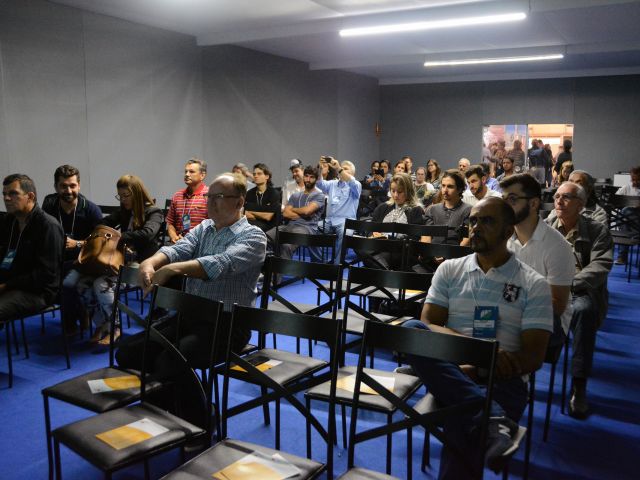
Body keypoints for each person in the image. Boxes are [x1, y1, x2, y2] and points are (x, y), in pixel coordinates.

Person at [403, 197, 553, 478]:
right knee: (411, 329)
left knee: (463, 422)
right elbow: (427, 324)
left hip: (503, 382)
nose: (475, 227)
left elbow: (534, 356)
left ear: (509, 231)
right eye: (472, 221)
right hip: (454, 371)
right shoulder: (450, 269)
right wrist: (481, 352)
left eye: (487, 221)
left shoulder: (533, 283)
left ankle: (490, 417)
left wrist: (480, 366)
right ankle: (494, 419)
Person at [116, 172, 266, 426]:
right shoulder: (206, 227)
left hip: (228, 325)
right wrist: (151, 262)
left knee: (170, 359)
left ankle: (202, 421)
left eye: (219, 197)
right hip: (191, 317)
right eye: (210, 197)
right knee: (130, 351)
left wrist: (175, 269)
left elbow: (223, 263)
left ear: (239, 202)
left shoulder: (253, 237)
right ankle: (168, 411)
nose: (210, 203)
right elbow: (178, 248)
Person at [546, 182, 613, 418]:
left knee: (584, 311)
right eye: (556, 197)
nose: (559, 201)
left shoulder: (596, 230)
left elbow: (601, 264)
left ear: (581, 204)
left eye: (566, 197)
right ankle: (513, 375)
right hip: (548, 289)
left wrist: (571, 283)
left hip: (579, 289)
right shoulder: (545, 227)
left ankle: (579, 385)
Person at [76, 175, 163, 344]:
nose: (122, 200)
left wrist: (119, 236)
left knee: (100, 284)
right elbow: (102, 223)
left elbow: (147, 234)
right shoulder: (124, 211)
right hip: (122, 261)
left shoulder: (154, 212)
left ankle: (115, 328)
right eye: (120, 196)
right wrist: (103, 231)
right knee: (82, 284)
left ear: (136, 194)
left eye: (126, 195)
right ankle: (102, 324)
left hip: (143, 264)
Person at [501, 174, 575, 347]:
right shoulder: (503, 238)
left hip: (549, 320)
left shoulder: (557, 246)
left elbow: (556, 307)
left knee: (497, 341)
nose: (504, 206)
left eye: (512, 199)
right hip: (508, 309)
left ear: (533, 204)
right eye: (503, 200)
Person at [42, 165, 103, 334]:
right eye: (63, 186)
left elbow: (102, 243)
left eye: (72, 185)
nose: (68, 190)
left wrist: (77, 243)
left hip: (84, 261)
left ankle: (71, 324)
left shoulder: (91, 209)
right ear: (56, 187)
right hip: (56, 260)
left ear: (79, 185)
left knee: (66, 280)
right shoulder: (49, 206)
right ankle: (79, 313)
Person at [1, 174, 64, 326]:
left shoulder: (48, 226)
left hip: (38, 292)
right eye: (4, 194)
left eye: (13, 193)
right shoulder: (9, 221)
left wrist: (6, 285)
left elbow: (45, 275)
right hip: (11, 284)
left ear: (30, 196)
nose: (7, 198)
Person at [266, 165, 325, 261]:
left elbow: (307, 211)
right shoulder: (295, 195)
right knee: (264, 239)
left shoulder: (319, 195)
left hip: (306, 228)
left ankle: (278, 275)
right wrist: (303, 213)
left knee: (286, 246)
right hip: (289, 226)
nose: (308, 179)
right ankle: (267, 271)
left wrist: (294, 209)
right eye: (306, 176)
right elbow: (285, 213)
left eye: (312, 177)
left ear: (316, 179)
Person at [367, 173, 424, 269]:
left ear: (408, 191)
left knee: (372, 254)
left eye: (400, 192)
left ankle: (381, 268)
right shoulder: (383, 207)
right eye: (393, 191)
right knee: (358, 245)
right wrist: (373, 234)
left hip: (400, 251)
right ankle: (383, 268)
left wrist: (389, 238)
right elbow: (370, 230)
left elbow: (414, 238)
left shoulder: (416, 210)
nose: (395, 195)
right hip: (379, 247)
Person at [315, 157, 362, 263]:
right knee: (310, 228)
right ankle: (320, 262)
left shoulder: (356, 185)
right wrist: (319, 168)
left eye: (345, 169)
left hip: (346, 222)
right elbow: (319, 183)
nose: (341, 170)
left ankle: (336, 268)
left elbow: (352, 182)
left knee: (344, 233)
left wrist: (339, 168)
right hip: (328, 221)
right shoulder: (332, 183)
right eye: (341, 168)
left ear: (352, 174)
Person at [166, 157, 209, 244]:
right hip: (178, 243)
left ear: (202, 175)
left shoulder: (210, 195)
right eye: (186, 171)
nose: (187, 174)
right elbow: (170, 223)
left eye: (191, 172)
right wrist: (174, 237)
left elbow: (215, 226)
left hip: (200, 246)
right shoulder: (177, 195)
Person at [422, 170, 471, 246]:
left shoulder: (468, 210)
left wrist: (448, 253)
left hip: (456, 255)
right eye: (443, 186)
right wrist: (431, 253)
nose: (445, 190)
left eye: (450, 186)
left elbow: (466, 240)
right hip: (432, 253)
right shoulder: (432, 210)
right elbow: (426, 237)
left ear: (460, 189)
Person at [614, 166, 640, 264]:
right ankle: (634, 236)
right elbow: (614, 200)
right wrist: (626, 203)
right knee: (625, 212)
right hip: (627, 223)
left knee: (625, 212)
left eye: (638, 180)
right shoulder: (627, 188)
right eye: (633, 179)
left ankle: (622, 257)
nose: (635, 182)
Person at [244, 163, 281, 233]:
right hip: (251, 224)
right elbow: (245, 214)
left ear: (267, 176)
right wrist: (261, 213)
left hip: (269, 226)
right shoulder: (249, 193)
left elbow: (267, 217)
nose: (255, 176)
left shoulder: (273, 193)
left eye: (259, 174)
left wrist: (251, 212)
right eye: (254, 174)